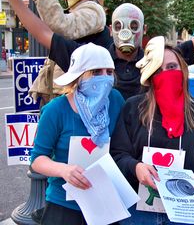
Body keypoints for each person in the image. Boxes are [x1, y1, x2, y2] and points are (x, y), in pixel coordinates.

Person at [0, 0, 194, 100]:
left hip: (140, 150)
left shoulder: (156, 59)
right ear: (111, 28)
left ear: (144, 30)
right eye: (119, 26)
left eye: (133, 26)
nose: (126, 33)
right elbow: (46, 35)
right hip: (102, 150)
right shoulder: (94, 58)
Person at [109, 36, 194, 224]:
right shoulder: (133, 108)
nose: (166, 74)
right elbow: (118, 153)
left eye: (171, 67)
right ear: (151, 77)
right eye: (158, 70)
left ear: (183, 70)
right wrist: (135, 167)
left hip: (186, 210)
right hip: (139, 211)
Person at [30, 43, 124, 225]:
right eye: (96, 72)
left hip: (104, 200)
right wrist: (64, 170)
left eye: (109, 72)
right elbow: (37, 160)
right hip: (63, 203)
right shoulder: (55, 110)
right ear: (80, 77)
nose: (105, 78)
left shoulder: (116, 100)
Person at [29, 0, 112, 106]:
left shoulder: (94, 12)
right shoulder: (71, 12)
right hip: (55, 92)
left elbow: (60, 26)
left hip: (72, 93)